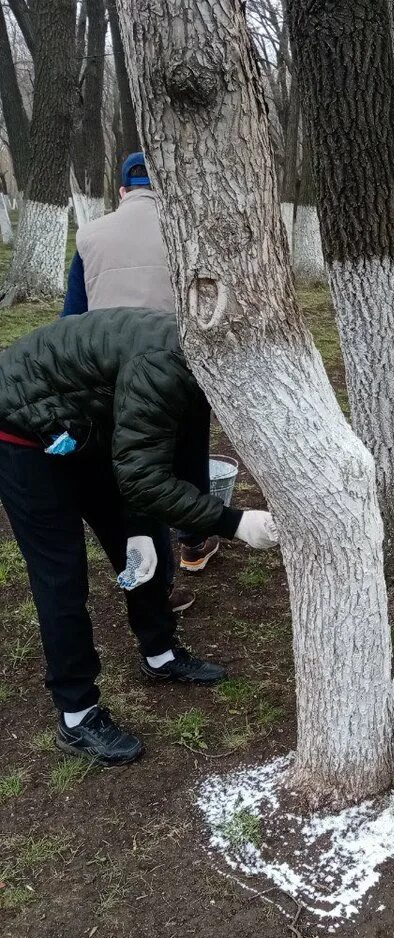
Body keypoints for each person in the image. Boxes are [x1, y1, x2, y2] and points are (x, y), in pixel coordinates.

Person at [0, 308, 278, 766]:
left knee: (142, 542)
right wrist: (234, 524)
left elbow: (177, 457)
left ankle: (160, 652)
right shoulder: (165, 367)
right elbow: (142, 479)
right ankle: (77, 713)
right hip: (22, 431)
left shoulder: (203, 366)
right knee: (61, 574)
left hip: (87, 427)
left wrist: (170, 526)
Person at [62, 152, 219, 606]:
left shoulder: (90, 236)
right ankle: (193, 539)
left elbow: (73, 316)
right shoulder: (190, 232)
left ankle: (159, 581)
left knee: (136, 471)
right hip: (179, 366)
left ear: (122, 191)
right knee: (189, 451)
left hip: (111, 372)